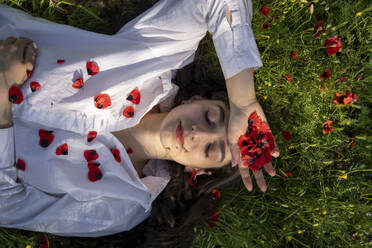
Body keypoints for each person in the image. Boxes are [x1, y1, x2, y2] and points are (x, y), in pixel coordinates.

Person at [0, 0, 280, 245]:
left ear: (198, 171)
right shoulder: (155, 58)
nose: (199, 132)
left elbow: (8, 205)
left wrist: (2, 91)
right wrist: (243, 102)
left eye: (210, 150)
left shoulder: (124, 205)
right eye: (210, 116)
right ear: (193, 99)